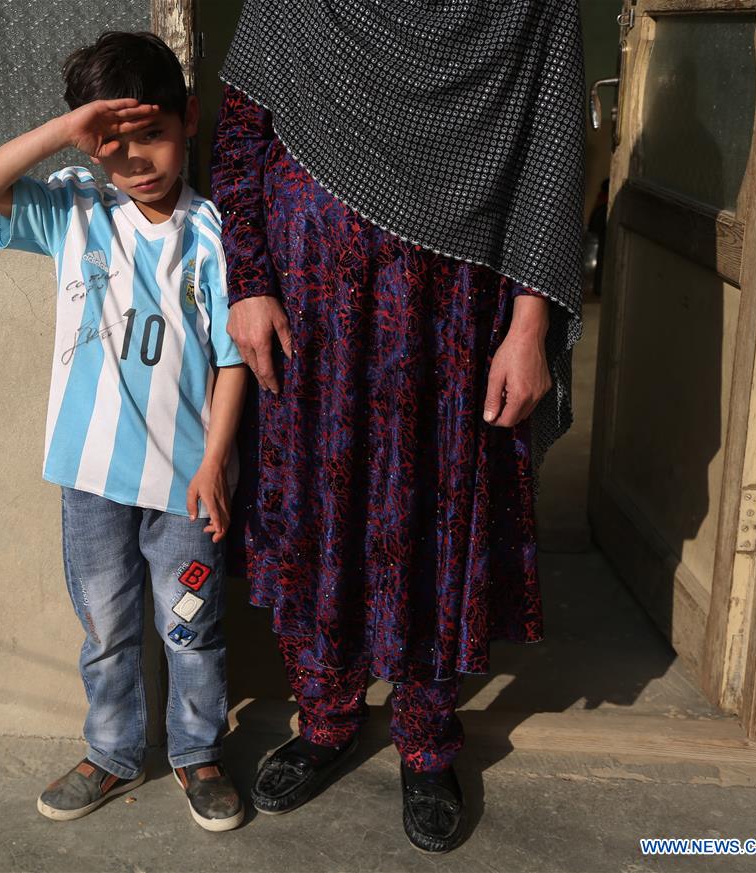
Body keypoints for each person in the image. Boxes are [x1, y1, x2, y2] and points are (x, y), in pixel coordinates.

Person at [212, 0, 584, 853]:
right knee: (320, 515)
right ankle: (326, 718)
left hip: (452, 315)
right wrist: (249, 281)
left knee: (434, 517)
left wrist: (531, 326)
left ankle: (425, 739)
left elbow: (551, 152)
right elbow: (239, 136)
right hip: (310, 313)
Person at [0, 31, 248, 831]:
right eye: (113, 148)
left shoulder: (214, 235)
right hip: (89, 483)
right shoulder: (76, 211)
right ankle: (114, 752)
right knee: (107, 628)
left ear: (188, 119)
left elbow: (232, 362)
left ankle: (197, 752)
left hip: (186, 488)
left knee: (191, 628)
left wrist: (215, 462)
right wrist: (67, 132)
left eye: (152, 135)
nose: (136, 162)